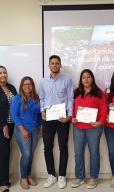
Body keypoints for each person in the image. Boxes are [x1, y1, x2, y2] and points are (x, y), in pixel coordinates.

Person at [39, 55, 74, 189]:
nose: (54, 65)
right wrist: (42, 110)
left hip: (62, 118)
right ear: (49, 65)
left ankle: (62, 176)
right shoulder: (43, 81)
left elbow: (70, 99)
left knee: (63, 146)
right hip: (48, 118)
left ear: (60, 65)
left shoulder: (67, 80)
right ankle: (51, 175)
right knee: (47, 147)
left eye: (57, 63)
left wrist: (69, 115)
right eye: (52, 63)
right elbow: (41, 98)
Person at [70, 69, 107, 189]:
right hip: (78, 127)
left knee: (94, 152)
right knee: (78, 153)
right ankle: (80, 177)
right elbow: (71, 108)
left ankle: (93, 177)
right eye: (84, 77)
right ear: (81, 79)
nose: (86, 79)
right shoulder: (76, 92)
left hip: (94, 128)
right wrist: (73, 118)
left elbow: (104, 110)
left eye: (88, 77)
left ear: (92, 79)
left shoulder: (99, 93)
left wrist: (100, 122)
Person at [11, 76, 43, 190]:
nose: (27, 86)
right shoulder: (17, 99)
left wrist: (40, 128)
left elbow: (39, 115)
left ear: (33, 86)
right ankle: (23, 178)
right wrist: (23, 130)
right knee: (27, 154)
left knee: (30, 154)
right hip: (21, 130)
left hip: (34, 130)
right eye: (25, 84)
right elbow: (14, 115)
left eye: (30, 84)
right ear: (21, 86)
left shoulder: (36, 98)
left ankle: (28, 175)